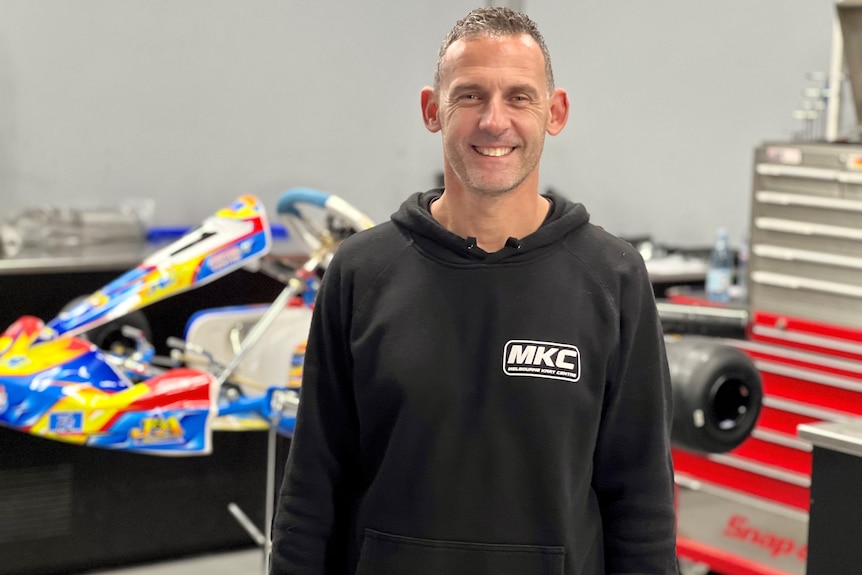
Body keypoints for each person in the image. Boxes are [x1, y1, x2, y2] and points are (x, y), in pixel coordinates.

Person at [270, 6, 678, 574]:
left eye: (519, 97)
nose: (494, 120)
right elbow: (313, 485)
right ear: (431, 110)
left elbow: (641, 502)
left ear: (554, 113)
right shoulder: (361, 272)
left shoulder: (613, 278)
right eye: (469, 96)